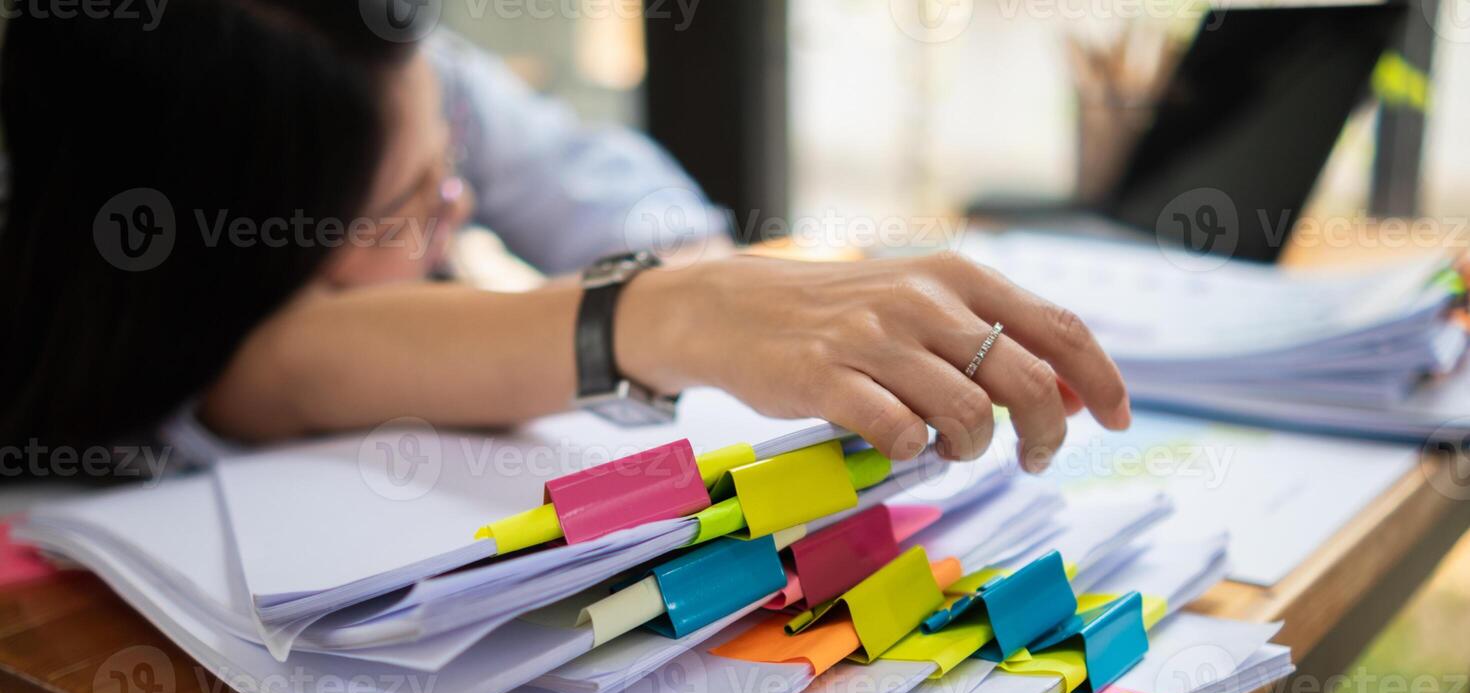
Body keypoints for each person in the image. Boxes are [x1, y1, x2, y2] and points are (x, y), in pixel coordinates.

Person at [0, 0, 1129, 475]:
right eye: (412, 204)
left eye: (457, 164)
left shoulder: (380, 65)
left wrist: (717, 291)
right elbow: (283, 370)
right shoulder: (156, 347)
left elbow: (615, 198)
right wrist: (677, 316)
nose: (458, 206)